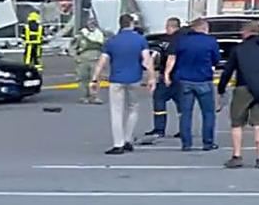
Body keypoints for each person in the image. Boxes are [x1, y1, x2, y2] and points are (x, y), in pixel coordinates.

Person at [217, 20, 259, 169]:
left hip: (243, 87)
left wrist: (221, 89)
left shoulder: (238, 49)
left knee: (237, 123)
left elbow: (228, 71)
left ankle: (237, 155)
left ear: (247, 32)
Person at [90, 14, 155, 155]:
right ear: (131, 23)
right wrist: (151, 78)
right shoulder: (140, 40)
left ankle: (117, 143)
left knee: (116, 112)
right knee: (133, 108)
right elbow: (147, 60)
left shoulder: (112, 41)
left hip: (116, 80)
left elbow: (102, 62)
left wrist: (95, 79)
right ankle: (128, 139)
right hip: (135, 79)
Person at [163, 17, 220, 152]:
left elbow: (172, 58)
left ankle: (186, 143)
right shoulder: (211, 41)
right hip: (203, 79)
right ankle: (208, 142)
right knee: (208, 113)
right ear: (205, 28)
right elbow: (216, 60)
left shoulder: (182, 41)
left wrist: (167, 74)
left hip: (184, 80)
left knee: (186, 113)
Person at [143, 17, 183, 141]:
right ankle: (183, 129)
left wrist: (164, 74)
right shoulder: (185, 38)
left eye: (167, 27)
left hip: (169, 76)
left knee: (159, 100)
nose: (166, 29)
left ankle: (159, 129)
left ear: (172, 27)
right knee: (182, 105)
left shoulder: (169, 40)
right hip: (181, 76)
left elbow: (164, 56)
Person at [71, 17, 105, 104]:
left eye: (93, 23)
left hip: (96, 60)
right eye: (90, 23)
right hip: (83, 60)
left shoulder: (100, 35)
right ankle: (84, 97)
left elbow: (104, 48)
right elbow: (72, 47)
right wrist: (76, 58)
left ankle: (94, 97)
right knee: (83, 79)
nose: (92, 24)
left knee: (95, 79)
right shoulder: (81, 35)